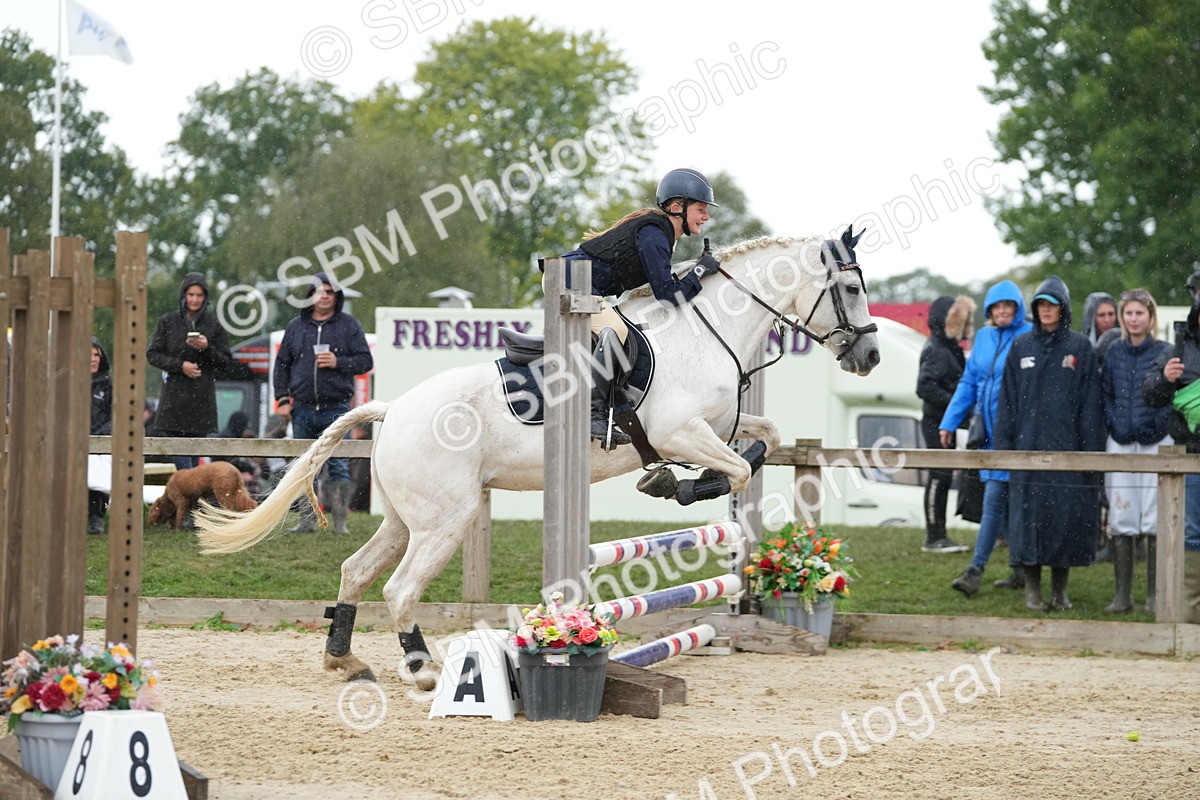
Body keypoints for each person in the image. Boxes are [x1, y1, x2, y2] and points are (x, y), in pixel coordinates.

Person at [559, 167, 720, 446]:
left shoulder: (660, 234)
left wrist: (697, 270)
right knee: (616, 332)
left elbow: (666, 286)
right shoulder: (654, 235)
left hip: (576, 282)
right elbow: (668, 297)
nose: (706, 216)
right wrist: (700, 271)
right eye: (701, 209)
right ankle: (593, 415)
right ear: (676, 207)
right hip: (568, 282)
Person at [994, 275, 1104, 611]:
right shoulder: (1021, 346)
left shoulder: (1079, 347)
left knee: (1063, 523)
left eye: (1052, 305)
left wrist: (1091, 455)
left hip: (1067, 452)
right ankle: (1032, 592)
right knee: (1027, 524)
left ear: (1063, 308)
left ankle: (1060, 592)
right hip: (1026, 451)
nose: (1046, 310)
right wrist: (1004, 448)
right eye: (1041, 304)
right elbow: (1007, 401)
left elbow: (1090, 405)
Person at [942, 281, 1032, 596]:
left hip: (1016, 436)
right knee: (1000, 504)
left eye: (1009, 305)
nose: (1003, 311)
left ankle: (975, 570)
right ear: (989, 310)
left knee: (994, 501)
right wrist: (949, 421)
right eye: (997, 305)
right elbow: (969, 382)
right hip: (986, 434)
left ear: (1018, 308)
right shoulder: (982, 337)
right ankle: (1020, 570)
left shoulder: (1029, 336)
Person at [274, 273, 373, 534]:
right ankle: (306, 522)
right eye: (320, 291)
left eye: (330, 292)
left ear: (337, 296)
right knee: (303, 467)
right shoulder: (296, 326)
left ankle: (340, 525)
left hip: (337, 409)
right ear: (310, 295)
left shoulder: (349, 325)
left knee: (339, 465)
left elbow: (366, 361)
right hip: (302, 409)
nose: (325, 296)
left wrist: (338, 362)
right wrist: (282, 399)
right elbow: (281, 365)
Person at [1101, 288, 1172, 613]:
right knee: (1122, 514)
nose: (1133, 319)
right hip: (1121, 441)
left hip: (1156, 441)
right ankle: (1122, 596)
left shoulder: (1165, 351)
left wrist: (1158, 424)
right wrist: (1115, 423)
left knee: (1156, 515)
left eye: (1139, 313)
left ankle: (1155, 596)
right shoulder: (1113, 351)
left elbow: (1171, 395)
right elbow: (1106, 394)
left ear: (1150, 316)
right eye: (1128, 313)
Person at [1143, 274, 1200, 624]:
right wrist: (1165, 378)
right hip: (1190, 454)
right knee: (1192, 533)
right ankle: (1190, 617)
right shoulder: (1177, 349)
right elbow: (1150, 395)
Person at [146, 272, 233, 470]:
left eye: (199, 295)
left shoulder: (214, 324)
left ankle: (191, 488)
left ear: (205, 297)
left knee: (193, 463)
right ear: (184, 295)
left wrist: (206, 348)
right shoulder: (168, 321)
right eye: (191, 294)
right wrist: (180, 366)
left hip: (201, 403)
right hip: (174, 402)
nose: (194, 299)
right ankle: (187, 486)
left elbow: (226, 362)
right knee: (183, 463)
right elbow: (152, 354)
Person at [916, 295, 974, 553]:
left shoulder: (949, 347)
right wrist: (955, 406)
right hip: (935, 422)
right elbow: (924, 387)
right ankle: (934, 536)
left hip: (943, 421)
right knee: (938, 476)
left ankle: (938, 535)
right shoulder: (937, 349)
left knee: (942, 476)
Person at [88, 338, 112, 534]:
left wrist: (99, 436)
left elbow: (118, 416)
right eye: (89, 355)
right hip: (73, 442)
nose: (94, 359)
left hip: (102, 444)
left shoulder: (109, 385)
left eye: (96, 354)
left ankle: (96, 516)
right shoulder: (67, 382)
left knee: (97, 469)